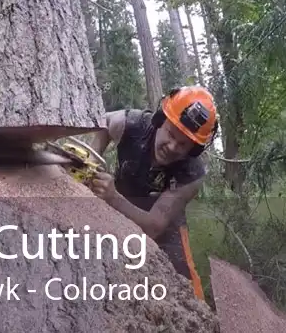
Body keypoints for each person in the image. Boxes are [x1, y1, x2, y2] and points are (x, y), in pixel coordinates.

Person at [87, 86, 219, 301]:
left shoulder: (192, 173)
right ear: (160, 120)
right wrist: (92, 160)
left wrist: (112, 198)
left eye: (183, 144)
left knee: (186, 282)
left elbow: (155, 226)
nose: (173, 146)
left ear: (193, 150)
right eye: (171, 134)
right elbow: (104, 123)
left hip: (164, 221)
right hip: (121, 201)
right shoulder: (132, 123)